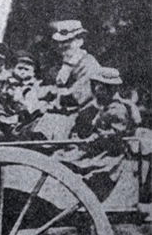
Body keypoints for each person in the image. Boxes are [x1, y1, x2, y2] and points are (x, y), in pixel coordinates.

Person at [52, 67, 136, 200]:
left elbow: (114, 135)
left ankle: (63, 193)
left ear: (111, 89)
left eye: (100, 87)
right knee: (60, 155)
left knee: (65, 159)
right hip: (95, 147)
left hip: (108, 153)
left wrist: (94, 138)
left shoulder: (117, 110)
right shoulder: (98, 106)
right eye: (95, 85)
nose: (95, 89)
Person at [36, 19, 102, 139]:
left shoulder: (88, 63)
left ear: (80, 40)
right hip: (61, 114)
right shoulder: (66, 64)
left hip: (81, 117)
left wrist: (54, 95)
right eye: (59, 43)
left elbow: (80, 96)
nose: (61, 46)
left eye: (67, 41)